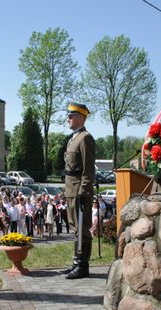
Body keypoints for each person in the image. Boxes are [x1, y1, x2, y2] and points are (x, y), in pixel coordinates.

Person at [62, 103, 95, 279]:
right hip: (70, 190)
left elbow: (88, 169)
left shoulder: (85, 138)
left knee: (82, 229)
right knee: (75, 228)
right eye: (69, 115)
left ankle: (83, 266)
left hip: (79, 191)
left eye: (72, 115)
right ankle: (76, 261)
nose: (68, 118)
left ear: (82, 117)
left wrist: (84, 191)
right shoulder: (73, 138)